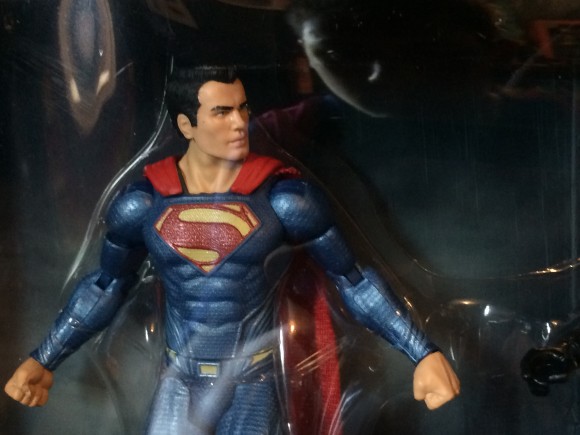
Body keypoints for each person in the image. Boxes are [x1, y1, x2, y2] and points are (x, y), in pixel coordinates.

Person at [4, 66, 459, 433]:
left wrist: (423, 353)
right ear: (186, 124)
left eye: (242, 107)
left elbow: (352, 280)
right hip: (180, 378)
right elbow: (106, 286)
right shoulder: (142, 204)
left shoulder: (284, 201)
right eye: (221, 112)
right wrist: (45, 358)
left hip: (252, 380)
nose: (241, 123)